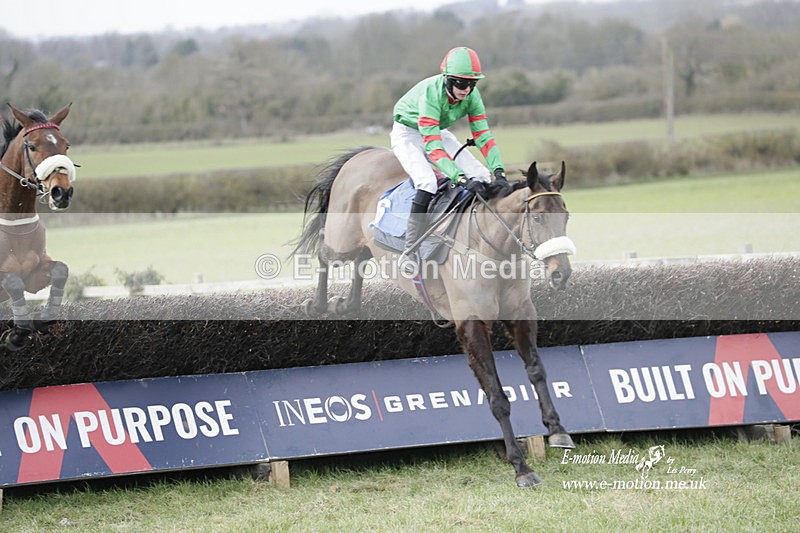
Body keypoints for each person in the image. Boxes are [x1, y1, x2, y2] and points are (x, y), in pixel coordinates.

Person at [391, 46, 509, 275]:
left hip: (437, 130)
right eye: (461, 83)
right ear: (447, 79)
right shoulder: (431, 94)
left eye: (472, 84)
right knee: (427, 182)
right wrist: (461, 179)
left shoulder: (472, 95)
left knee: (482, 175)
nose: (466, 90)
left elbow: (483, 136)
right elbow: (433, 148)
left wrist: (499, 172)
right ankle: (410, 250)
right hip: (408, 133)